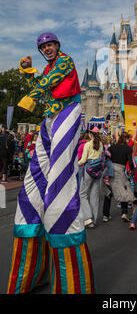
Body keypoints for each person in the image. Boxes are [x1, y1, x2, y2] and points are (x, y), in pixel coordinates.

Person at [7, 32, 96, 295]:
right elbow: (46, 81)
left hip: (68, 111)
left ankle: (69, 278)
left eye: (50, 44)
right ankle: (35, 269)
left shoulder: (65, 62)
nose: (47, 48)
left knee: (60, 171)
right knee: (37, 173)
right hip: (50, 117)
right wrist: (28, 74)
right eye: (43, 46)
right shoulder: (49, 67)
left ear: (58, 45)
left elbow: (52, 80)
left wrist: (33, 93)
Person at [78, 128, 104, 228]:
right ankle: (94, 218)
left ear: (90, 134)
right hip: (98, 170)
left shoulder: (87, 145)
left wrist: (76, 163)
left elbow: (83, 160)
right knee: (94, 195)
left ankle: (88, 218)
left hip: (89, 170)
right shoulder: (100, 144)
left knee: (82, 194)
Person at [107, 132, 135, 222]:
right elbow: (130, 162)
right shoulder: (128, 148)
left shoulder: (112, 147)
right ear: (126, 139)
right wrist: (133, 171)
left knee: (109, 192)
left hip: (111, 169)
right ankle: (124, 212)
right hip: (121, 169)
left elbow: (107, 157)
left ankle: (105, 214)